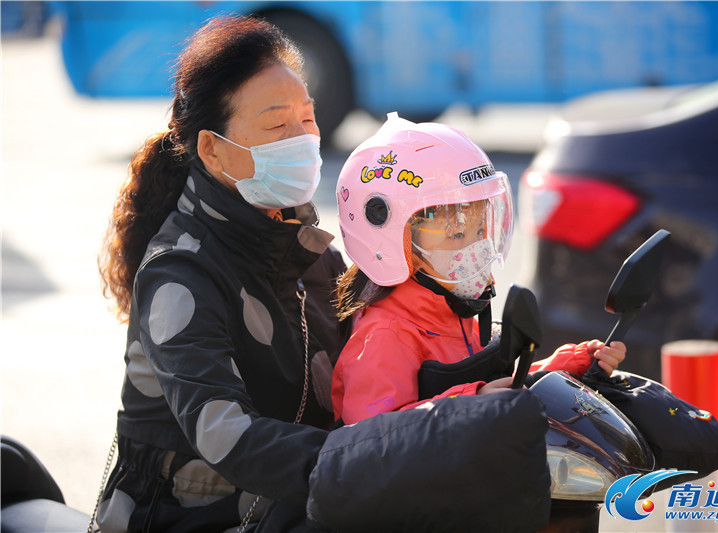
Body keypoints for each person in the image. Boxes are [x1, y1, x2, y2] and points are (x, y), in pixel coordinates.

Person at [95, 15, 351, 532]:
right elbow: (225, 434)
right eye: (277, 126)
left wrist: (466, 391)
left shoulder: (313, 253)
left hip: (298, 506)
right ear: (213, 150)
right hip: (183, 517)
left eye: (308, 119)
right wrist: (367, 462)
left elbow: (375, 369)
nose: (303, 140)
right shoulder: (179, 272)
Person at [331, 113, 626, 425]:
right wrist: (474, 401)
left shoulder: (450, 311)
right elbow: (374, 435)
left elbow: (494, 387)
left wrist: (561, 368)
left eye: (480, 230)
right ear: (390, 240)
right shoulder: (385, 337)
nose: (477, 246)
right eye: (457, 233)